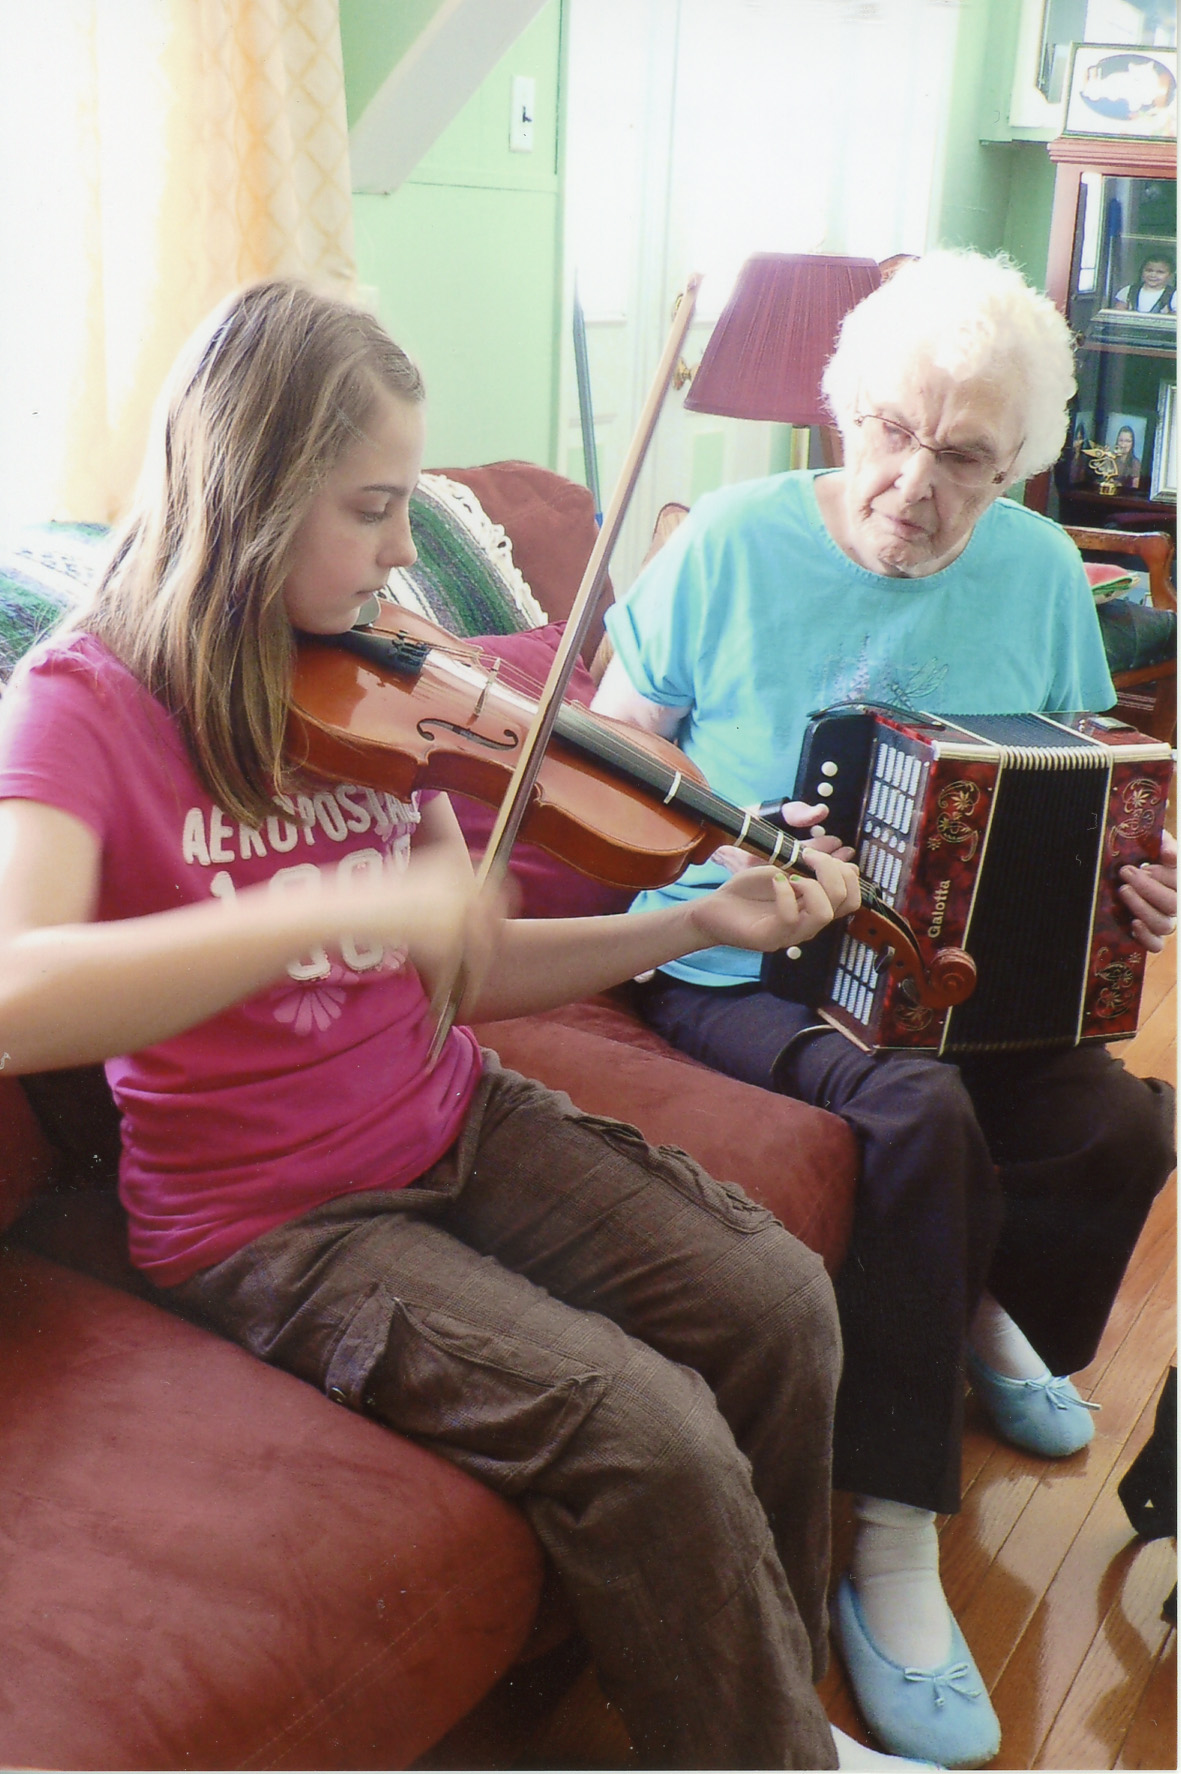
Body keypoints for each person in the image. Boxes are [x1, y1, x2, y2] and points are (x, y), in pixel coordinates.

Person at [0, 278, 955, 1774]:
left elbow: (468, 969)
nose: (400, 554)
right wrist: (300, 917)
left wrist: (693, 921)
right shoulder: (85, 703)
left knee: (777, 1302)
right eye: (375, 507)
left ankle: (770, 1712)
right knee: (649, 1433)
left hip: (451, 1111)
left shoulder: (373, 676)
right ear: (248, 497)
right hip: (268, 1219)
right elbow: (12, 994)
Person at [591, 249, 1177, 1768]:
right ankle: (895, 1533)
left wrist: (1136, 878)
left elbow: (1078, 766)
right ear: (844, 409)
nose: (915, 482)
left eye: (967, 455)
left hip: (945, 963)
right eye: (893, 432)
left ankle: (981, 1306)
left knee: (1123, 1119)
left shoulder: (1044, 571)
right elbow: (601, 761)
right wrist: (717, 842)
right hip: (732, 950)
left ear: (1016, 466)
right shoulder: (722, 541)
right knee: (913, 1113)